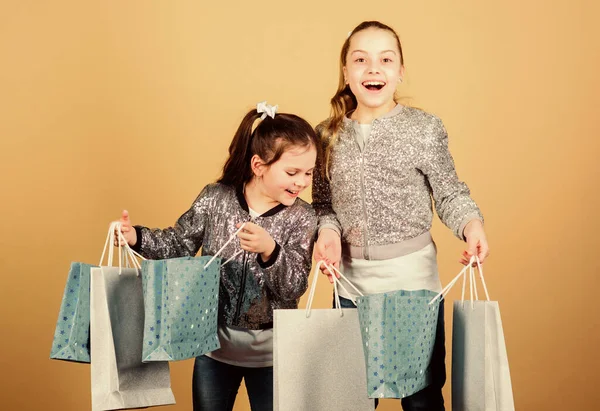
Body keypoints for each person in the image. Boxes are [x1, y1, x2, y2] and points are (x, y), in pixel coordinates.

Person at [312, 21, 490, 410]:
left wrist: (471, 224)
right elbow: (323, 205)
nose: (373, 69)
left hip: (413, 285)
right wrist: (327, 232)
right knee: (354, 397)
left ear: (400, 71)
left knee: (421, 397)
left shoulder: (424, 128)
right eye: (361, 60)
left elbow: (449, 192)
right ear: (346, 72)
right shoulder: (326, 134)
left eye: (385, 60)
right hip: (350, 287)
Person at [116, 102, 319, 411]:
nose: (301, 182)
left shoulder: (303, 217)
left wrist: (271, 250)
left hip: (274, 357)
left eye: (308, 172)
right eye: (292, 172)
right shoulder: (215, 198)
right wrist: (136, 237)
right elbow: (179, 243)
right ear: (258, 166)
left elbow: (294, 287)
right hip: (212, 350)